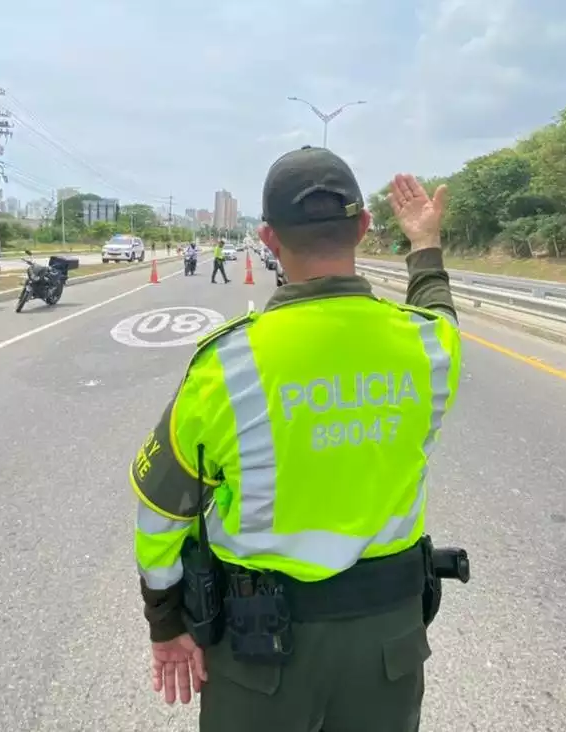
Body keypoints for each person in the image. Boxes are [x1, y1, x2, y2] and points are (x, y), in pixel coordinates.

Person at [129, 145, 463, 732]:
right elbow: (438, 308)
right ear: (363, 227)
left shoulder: (226, 366)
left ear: (268, 238)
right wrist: (424, 245)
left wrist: (166, 622)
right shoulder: (431, 348)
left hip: (260, 653)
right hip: (389, 643)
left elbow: (162, 510)